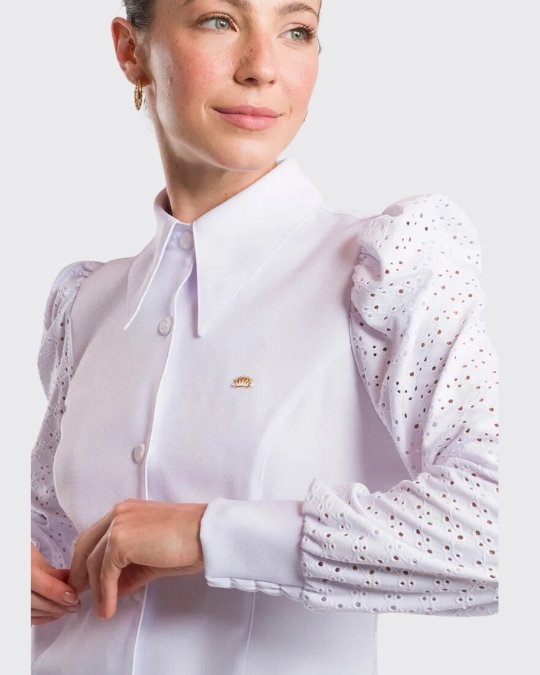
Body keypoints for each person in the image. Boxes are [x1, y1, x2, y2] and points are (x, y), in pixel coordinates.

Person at [30, 0, 499, 673]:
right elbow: (52, 535)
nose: (262, 67)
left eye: (296, 31)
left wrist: (208, 533)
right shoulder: (88, 304)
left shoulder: (389, 270)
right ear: (132, 52)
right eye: (219, 21)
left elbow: (498, 533)